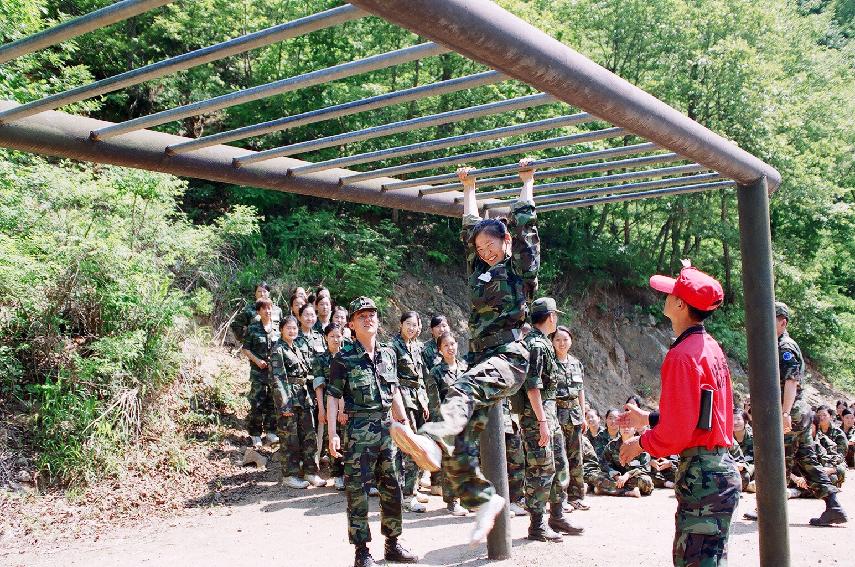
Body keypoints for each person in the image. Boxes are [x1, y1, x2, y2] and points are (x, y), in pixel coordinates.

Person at [390, 159, 541, 545]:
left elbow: (526, 226)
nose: (486, 251)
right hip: (483, 357)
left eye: (492, 245)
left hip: (511, 356)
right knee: (463, 443)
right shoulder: (478, 269)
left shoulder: (521, 270)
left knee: (459, 390)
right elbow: (468, 227)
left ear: (505, 243)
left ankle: (430, 439)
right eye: (481, 247)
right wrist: (468, 187)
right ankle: (482, 500)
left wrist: (527, 181)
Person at [618, 263, 741, 567]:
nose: (667, 296)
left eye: (672, 293)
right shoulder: (709, 348)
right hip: (719, 469)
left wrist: (640, 443)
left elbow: (677, 433)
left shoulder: (682, 356)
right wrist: (647, 418)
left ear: (680, 304)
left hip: (702, 475)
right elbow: (700, 415)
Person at [327, 297, 417, 567]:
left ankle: (392, 544)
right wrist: (332, 433)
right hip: (358, 435)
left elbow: (394, 390)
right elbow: (333, 397)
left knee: (393, 489)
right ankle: (362, 552)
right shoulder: (343, 358)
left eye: (372, 314)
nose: (368, 319)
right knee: (358, 493)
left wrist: (405, 423)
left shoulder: (389, 353)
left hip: (387, 432)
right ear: (352, 324)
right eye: (362, 316)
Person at [746, 301, 847, 526]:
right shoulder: (778, 345)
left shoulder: (785, 348)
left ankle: (768, 510)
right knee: (807, 462)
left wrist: (784, 413)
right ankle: (834, 506)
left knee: (778, 459)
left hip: (791, 413)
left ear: (782, 322)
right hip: (798, 414)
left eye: (771, 320)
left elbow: (791, 382)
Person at [519, 297, 581, 540]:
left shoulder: (542, 343)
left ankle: (557, 515)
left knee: (559, 465)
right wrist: (542, 422)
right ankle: (536, 525)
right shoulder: (536, 345)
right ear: (552, 317)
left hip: (549, 414)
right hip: (538, 418)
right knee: (540, 470)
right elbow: (533, 386)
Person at [271, 316, 324, 489]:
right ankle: (290, 474)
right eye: (289, 328)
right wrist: (284, 404)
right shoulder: (278, 350)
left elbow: (305, 373)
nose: (292, 331)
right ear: (281, 330)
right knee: (290, 439)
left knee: (309, 436)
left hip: (304, 396)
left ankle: (310, 472)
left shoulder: (296, 348)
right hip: (289, 399)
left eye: (294, 328)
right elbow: (277, 379)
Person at [391, 311, 431, 513]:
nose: (411, 328)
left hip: (417, 400)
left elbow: (421, 378)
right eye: (408, 324)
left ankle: (411, 488)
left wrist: (424, 401)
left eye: (414, 325)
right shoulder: (393, 346)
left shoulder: (416, 346)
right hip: (402, 402)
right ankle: (406, 495)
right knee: (408, 447)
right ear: (400, 324)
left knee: (417, 445)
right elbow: (392, 379)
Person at [426, 331, 468, 516]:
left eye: (452, 344)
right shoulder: (435, 372)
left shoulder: (465, 369)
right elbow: (434, 404)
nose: (450, 348)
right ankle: (452, 501)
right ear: (439, 350)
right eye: (445, 346)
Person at [552, 325, 590, 512]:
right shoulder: (550, 363)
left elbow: (580, 391)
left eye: (565, 339)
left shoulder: (576, 363)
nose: (562, 343)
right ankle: (561, 497)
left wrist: (583, 415)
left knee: (576, 457)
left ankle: (577, 496)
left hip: (574, 415)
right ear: (552, 342)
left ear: (571, 341)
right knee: (560, 459)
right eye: (558, 339)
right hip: (557, 415)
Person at [241, 298, 281, 448]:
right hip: (258, 373)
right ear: (258, 311)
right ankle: (255, 434)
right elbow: (246, 348)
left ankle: (271, 432)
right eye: (264, 308)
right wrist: (257, 361)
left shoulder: (277, 328)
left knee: (272, 403)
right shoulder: (253, 328)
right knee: (257, 403)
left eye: (270, 308)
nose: (268, 311)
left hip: (274, 372)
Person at [313, 322, 348, 490]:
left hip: (348, 403)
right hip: (329, 403)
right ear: (325, 337)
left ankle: (351, 474)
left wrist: (344, 409)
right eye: (332, 336)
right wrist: (321, 410)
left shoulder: (348, 355)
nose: (335, 339)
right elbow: (319, 386)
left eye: (338, 335)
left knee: (348, 439)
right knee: (332, 438)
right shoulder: (320, 359)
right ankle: (337, 474)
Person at [593, 425, 653, 497]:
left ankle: (608, 489)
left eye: (629, 426)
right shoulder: (612, 445)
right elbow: (603, 463)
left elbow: (644, 468)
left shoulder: (641, 445)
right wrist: (615, 474)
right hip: (616, 479)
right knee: (598, 478)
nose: (626, 428)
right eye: (623, 426)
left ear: (635, 429)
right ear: (619, 429)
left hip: (633, 479)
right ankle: (629, 492)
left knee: (647, 481)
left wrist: (628, 475)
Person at [733, 409, 755, 492]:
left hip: (751, 469)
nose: (735, 422)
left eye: (738, 419)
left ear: (745, 421)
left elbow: (759, 460)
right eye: (732, 419)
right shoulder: (726, 439)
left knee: (744, 477)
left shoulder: (754, 437)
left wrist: (745, 467)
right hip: (733, 468)